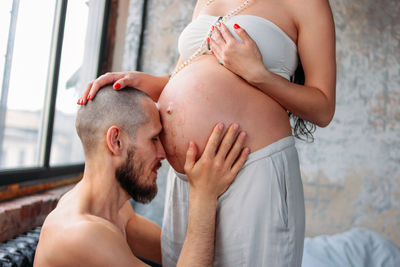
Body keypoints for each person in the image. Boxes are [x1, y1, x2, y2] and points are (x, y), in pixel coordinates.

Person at [79, 0, 336, 265]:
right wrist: (143, 81)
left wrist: (258, 73)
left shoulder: (307, 3)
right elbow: (187, 73)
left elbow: (323, 107)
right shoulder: (206, 1)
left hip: (250, 164)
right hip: (191, 177)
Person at [33, 86, 249, 267]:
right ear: (116, 141)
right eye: (154, 139)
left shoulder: (116, 211)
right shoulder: (80, 233)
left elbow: (173, 252)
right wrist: (203, 197)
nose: (162, 154)